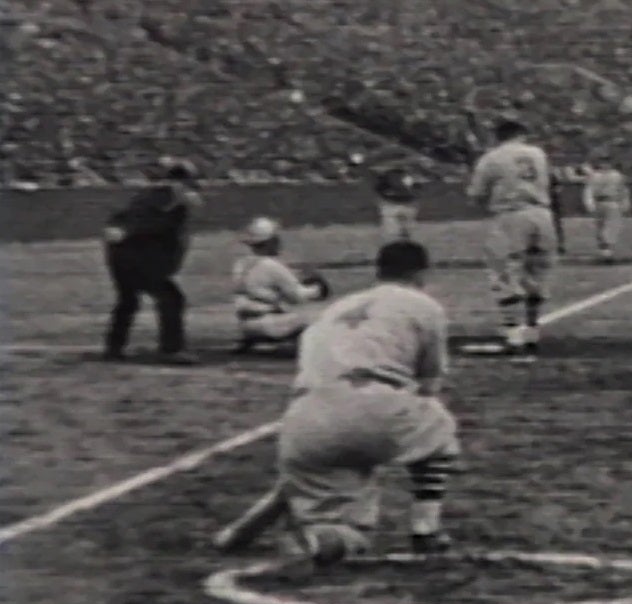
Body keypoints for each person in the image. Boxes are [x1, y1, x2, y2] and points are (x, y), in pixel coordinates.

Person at [214, 241, 461, 563]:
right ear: (421, 272)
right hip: (371, 402)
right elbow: (429, 385)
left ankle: (316, 538)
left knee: (345, 532)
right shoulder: (423, 305)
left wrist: (244, 532)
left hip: (302, 422)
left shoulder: (338, 307)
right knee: (439, 427)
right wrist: (385, 438)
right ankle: (425, 529)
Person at [465, 116, 558, 357]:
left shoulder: (492, 157)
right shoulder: (538, 154)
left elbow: (476, 194)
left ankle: (514, 336)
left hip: (511, 215)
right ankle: (532, 333)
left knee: (503, 272)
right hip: (543, 214)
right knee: (537, 274)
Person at [102, 157, 201, 364]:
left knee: (128, 301)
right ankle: (171, 349)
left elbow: (119, 222)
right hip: (139, 258)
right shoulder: (169, 197)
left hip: (119, 256)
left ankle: (114, 347)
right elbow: (150, 225)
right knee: (171, 298)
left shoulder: (147, 196)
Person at [232, 217, 331, 354]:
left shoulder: (240, 264)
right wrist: (317, 289)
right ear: (270, 242)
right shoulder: (272, 266)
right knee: (324, 317)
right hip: (270, 326)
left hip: (245, 326)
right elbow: (297, 296)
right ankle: (291, 344)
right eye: (275, 239)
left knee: (277, 309)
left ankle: (254, 341)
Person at [582, 153, 632, 263]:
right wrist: (589, 203)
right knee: (600, 227)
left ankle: (607, 251)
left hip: (613, 202)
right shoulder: (595, 176)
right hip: (599, 202)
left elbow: (623, 190)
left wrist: (625, 203)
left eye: (607, 162)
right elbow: (589, 190)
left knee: (611, 226)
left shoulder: (617, 176)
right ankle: (604, 250)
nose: (605, 165)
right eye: (603, 162)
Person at [375, 167, 420, 242]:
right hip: (393, 204)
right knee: (393, 223)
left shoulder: (408, 179)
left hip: (401, 203)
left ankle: (402, 235)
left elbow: (416, 190)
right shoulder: (385, 180)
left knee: (397, 222)